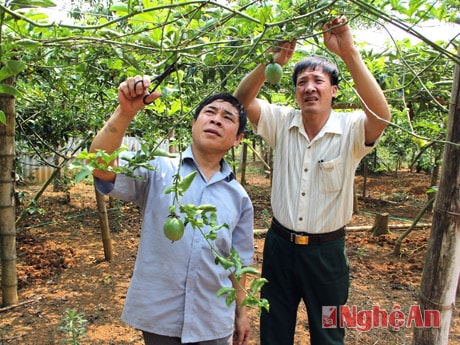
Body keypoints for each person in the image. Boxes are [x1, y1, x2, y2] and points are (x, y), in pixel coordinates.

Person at [233, 16, 391, 345]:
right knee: (274, 329)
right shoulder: (282, 122)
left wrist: (348, 53)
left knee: (329, 333)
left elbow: (381, 116)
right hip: (279, 247)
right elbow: (242, 101)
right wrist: (270, 64)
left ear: (334, 90)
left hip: (327, 253)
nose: (309, 87)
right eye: (302, 81)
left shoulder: (350, 130)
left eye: (318, 81)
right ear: (295, 93)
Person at [90, 75, 254, 345]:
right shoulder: (158, 167)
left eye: (227, 117)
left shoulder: (239, 197)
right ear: (193, 124)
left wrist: (241, 312)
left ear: (238, 138)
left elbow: (239, 262)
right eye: (209, 112)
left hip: (213, 320)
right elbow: (100, 166)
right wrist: (124, 113)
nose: (215, 120)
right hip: (161, 317)